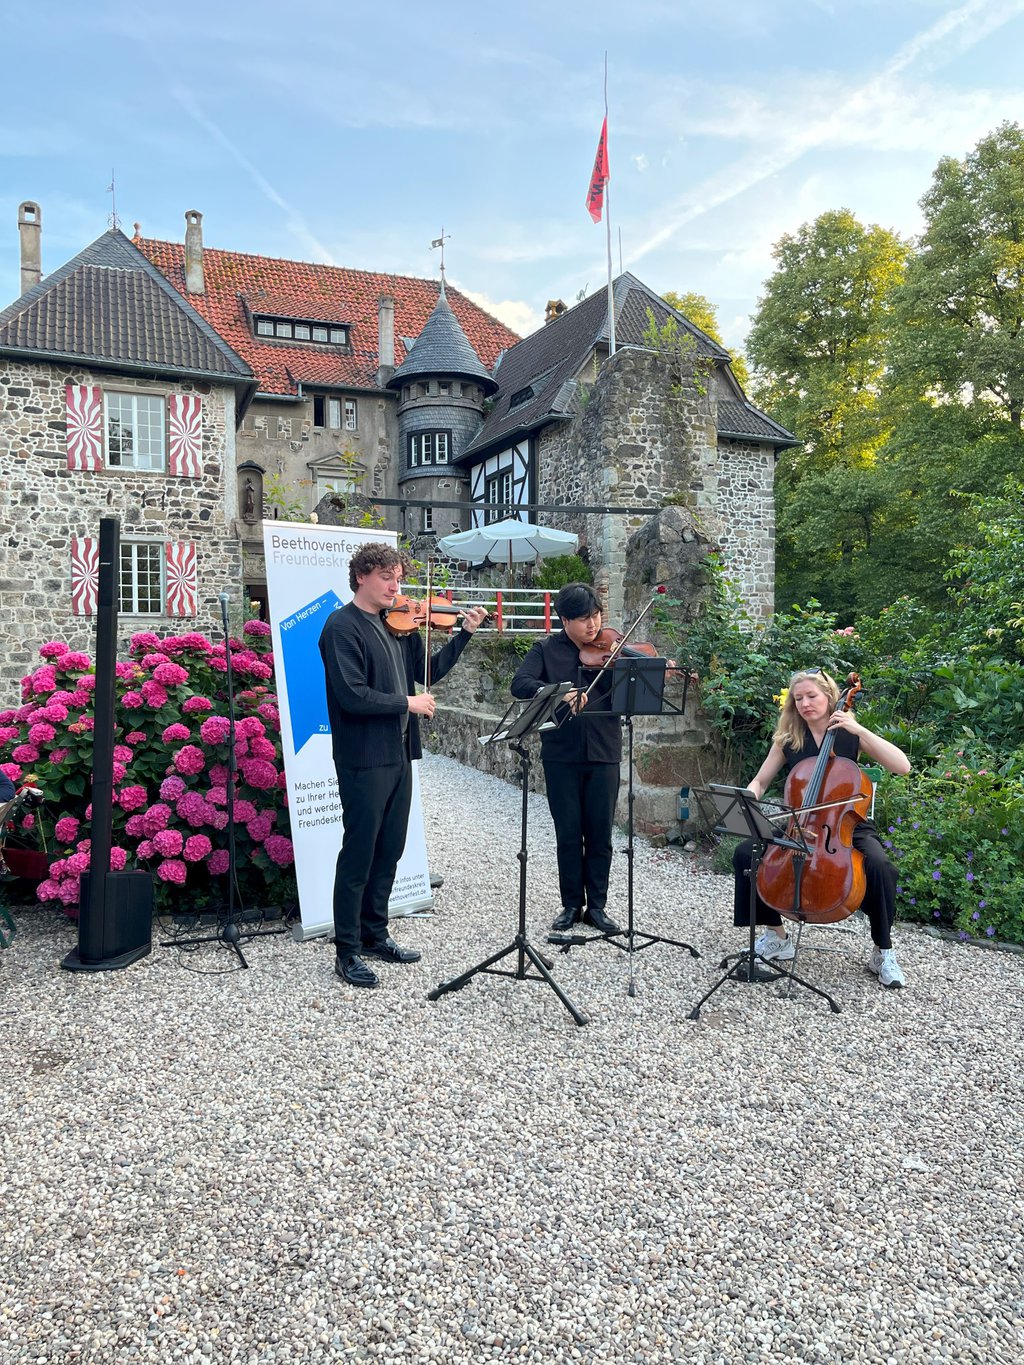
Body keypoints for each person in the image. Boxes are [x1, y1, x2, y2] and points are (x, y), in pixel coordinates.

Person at [319, 543, 487, 988]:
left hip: (398, 754)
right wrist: (408, 703)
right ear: (361, 577)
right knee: (359, 854)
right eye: (386, 577)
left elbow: (428, 670)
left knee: (390, 848)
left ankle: (375, 934)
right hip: (363, 757)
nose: (395, 586)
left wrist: (464, 634)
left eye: (398, 577)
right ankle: (347, 951)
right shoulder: (341, 627)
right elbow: (352, 695)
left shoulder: (399, 625)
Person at [732, 667, 911, 989]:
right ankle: (777, 936)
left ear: (829, 697)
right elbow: (760, 781)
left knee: (881, 867)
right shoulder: (789, 740)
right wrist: (747, 798)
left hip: (846, 825)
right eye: (798, 698)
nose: (805, 704)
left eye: (811, 696)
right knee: (747, 853)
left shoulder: (849, 733)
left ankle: (883, 951)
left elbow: (902, 766)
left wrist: (859, 729)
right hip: (799, 824)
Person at [511, 583, 622, 936]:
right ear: (564, 620)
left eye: (596, 616)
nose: (593, 625)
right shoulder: (545, 650)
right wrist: (558, 693)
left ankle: (598, 906)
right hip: (561, 754)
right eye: (584, 619)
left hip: (604, 751)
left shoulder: (611, 650)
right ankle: (572, 904)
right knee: (569, 833)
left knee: (601, 833)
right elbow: (520, 683)